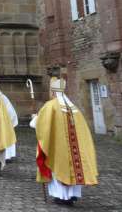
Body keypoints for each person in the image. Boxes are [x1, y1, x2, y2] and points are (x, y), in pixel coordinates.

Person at [30, 76, 98, 206]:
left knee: (59, 168)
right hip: (74, 149)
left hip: (58, 148)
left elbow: (36, 125)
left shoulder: (50, 106)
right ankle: (71, 196)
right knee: (73, 168)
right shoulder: (74, 107)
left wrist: (35, 118)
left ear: (53, 92)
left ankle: (61, 197)